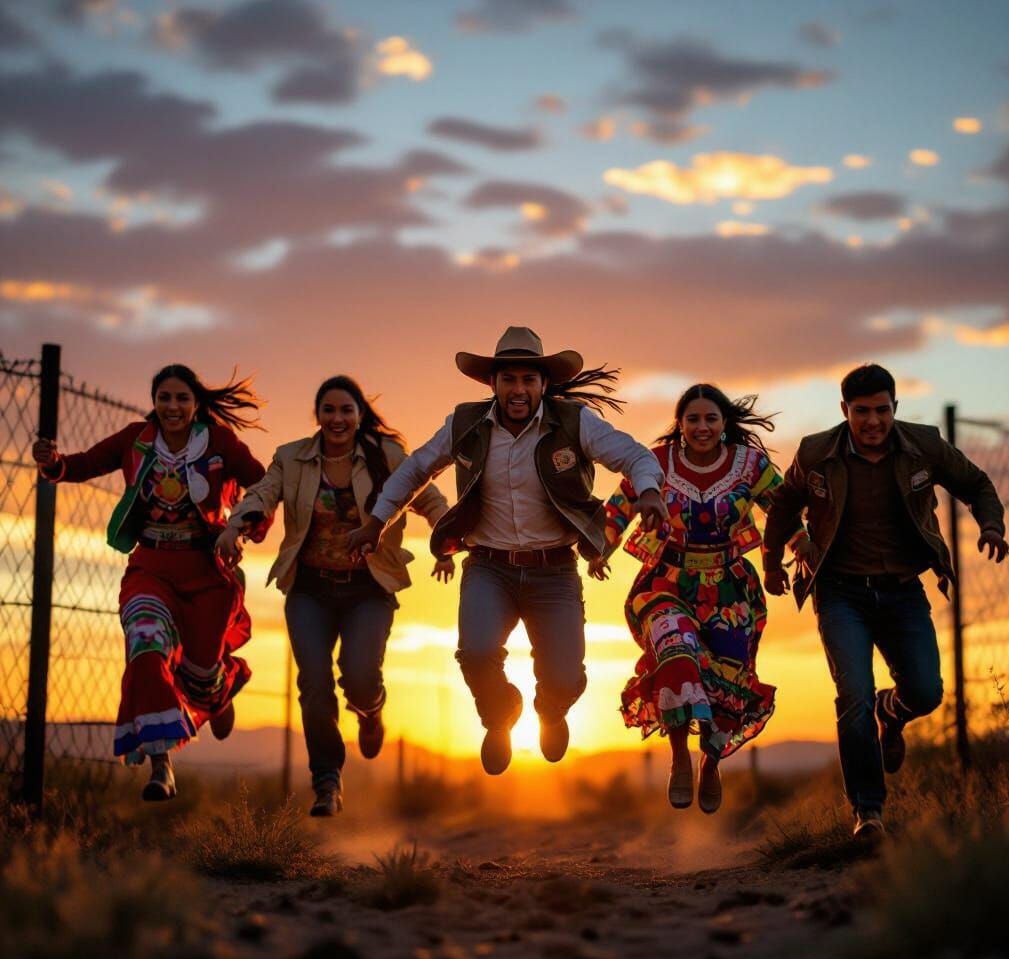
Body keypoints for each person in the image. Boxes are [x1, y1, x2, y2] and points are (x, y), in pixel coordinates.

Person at [345, 326, 667, 775]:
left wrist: (648, 490)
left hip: (554, 570)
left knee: (565, 678)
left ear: (543, 384)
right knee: (476, 653)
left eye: (528, 380)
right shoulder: (465, 425)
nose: (518, 390)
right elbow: (417, 468)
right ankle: (500, 717)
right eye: (509, 379)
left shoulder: (574, 422)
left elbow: (636, 456)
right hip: (488, 567)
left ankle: (550, 710)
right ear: (492, 384)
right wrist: (377, 522)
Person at [763, 364, 1009, 838]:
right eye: (861, 411)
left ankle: (891, 711)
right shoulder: (816, 452)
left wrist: (992, 525)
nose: (873, 421)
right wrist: (775, 561)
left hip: (902, 590)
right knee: (852, 695)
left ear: (895, 407)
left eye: (882, 410)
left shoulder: (924, 445)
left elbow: (975, 483)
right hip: (840, 592)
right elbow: (784, 502)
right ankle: (868, 812)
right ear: (844, 410)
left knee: (926, 692)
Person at [217, 376, 452, 816]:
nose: (337, 418)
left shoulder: (386, 455)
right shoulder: (292, 458)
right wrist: (236, 526)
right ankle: (327, 780)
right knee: (315, 684)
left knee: (359, 678)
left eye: (346, 410)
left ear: (360, 414)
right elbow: (263, 494)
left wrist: (448, 540)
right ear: (318, 415)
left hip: (368, 589)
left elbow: (429, 498)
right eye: (329, 410)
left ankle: (370, 710)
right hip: (310, 589)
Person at [32, 365, 267, 801]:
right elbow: (86, 463)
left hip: (206, 574)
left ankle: (218, 686)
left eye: (181, 398)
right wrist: (54, 464)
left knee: (200, 673)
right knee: (145, 644)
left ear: (196, 403)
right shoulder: (136, 439)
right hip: (150, 570)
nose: (172, 406)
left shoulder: (219, 442)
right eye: (164, 398)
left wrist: (239, 528)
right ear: (154, 401)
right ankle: (161, 764)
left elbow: (265, 484)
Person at [590, 384, 797, 813]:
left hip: (730, 590)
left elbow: (783, 512)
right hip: (668, 583)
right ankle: (679, 756)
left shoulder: (751, 465)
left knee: (728, 687)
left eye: (711, 419)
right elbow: (619, 507)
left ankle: (711, 763)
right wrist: (599, 548)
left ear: (724, 424)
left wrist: (799, 548)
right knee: (676, 656)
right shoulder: (654, 462)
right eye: (693, 419)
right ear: (680, 424)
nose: (702, 427)